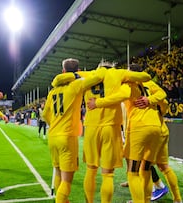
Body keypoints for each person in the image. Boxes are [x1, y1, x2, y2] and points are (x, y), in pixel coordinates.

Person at [51, 60, 151, 203]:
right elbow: (146, 77)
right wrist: (128, 77)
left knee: (91, 171)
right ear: (112, 67)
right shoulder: (119, 73)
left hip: (91, 127)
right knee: (108, 175)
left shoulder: (90, 74)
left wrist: (65, 79)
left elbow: (62, 78)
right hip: (111, 127)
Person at [42, 58, 104, 203]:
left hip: (52, 136)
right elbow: (98, 77)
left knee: (58, 172)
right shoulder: (76, 84)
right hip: (67, 136)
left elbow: (44, 115)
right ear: (78, 70)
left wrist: (54, 124)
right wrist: (78, 75)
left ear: (63, 71)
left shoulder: (52, 91)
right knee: (67, 181)